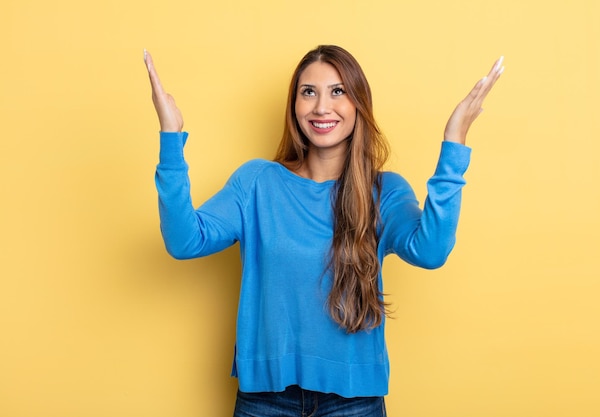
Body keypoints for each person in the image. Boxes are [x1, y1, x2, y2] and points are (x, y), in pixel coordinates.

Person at [144, 45, 503, 417]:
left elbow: (430, 251)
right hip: (264, 401)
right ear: (294, 105)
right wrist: (171, 138)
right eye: (308, 92)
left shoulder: (385, 192)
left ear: (358, 103)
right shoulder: (256, 183)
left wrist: (455, 141)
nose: (320, 107)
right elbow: (184, 241)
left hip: (355, 403)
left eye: (337, 91)